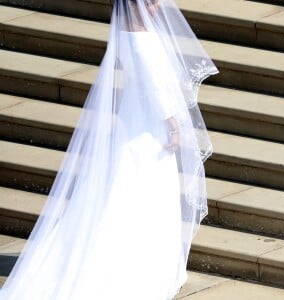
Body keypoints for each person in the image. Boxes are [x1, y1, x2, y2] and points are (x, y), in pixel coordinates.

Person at [0, 0, 219, 299]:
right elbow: (152, 86)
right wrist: (173, 124)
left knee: (128, 186)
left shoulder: (127, 33)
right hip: (148, 127)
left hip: (135, 120)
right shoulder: (141, 39)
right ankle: (138, 263)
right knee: (144, 188)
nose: (156, 8)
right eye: (150, 3)